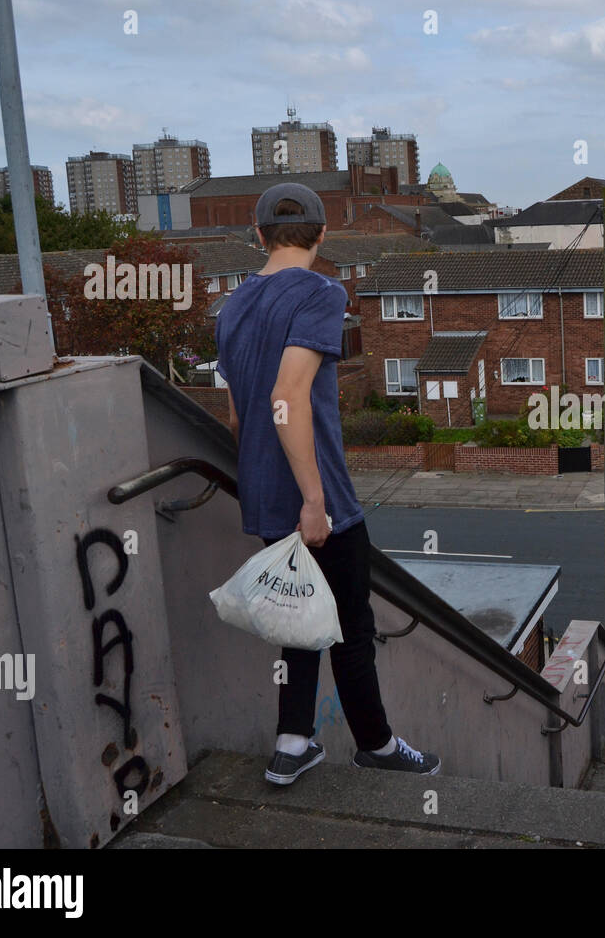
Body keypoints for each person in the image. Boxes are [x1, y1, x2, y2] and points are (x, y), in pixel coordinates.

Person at [214, 182, 439, 785]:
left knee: (298, 617)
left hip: (261, 495)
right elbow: (287, 397)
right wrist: (314, 500)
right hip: (322, 500)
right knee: (351, 629)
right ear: (321, 235)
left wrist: (268, 483)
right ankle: (377, 745)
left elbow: (238, 416)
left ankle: (292, 742)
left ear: (258, 235)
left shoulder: (232, 307)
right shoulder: (320, 291)